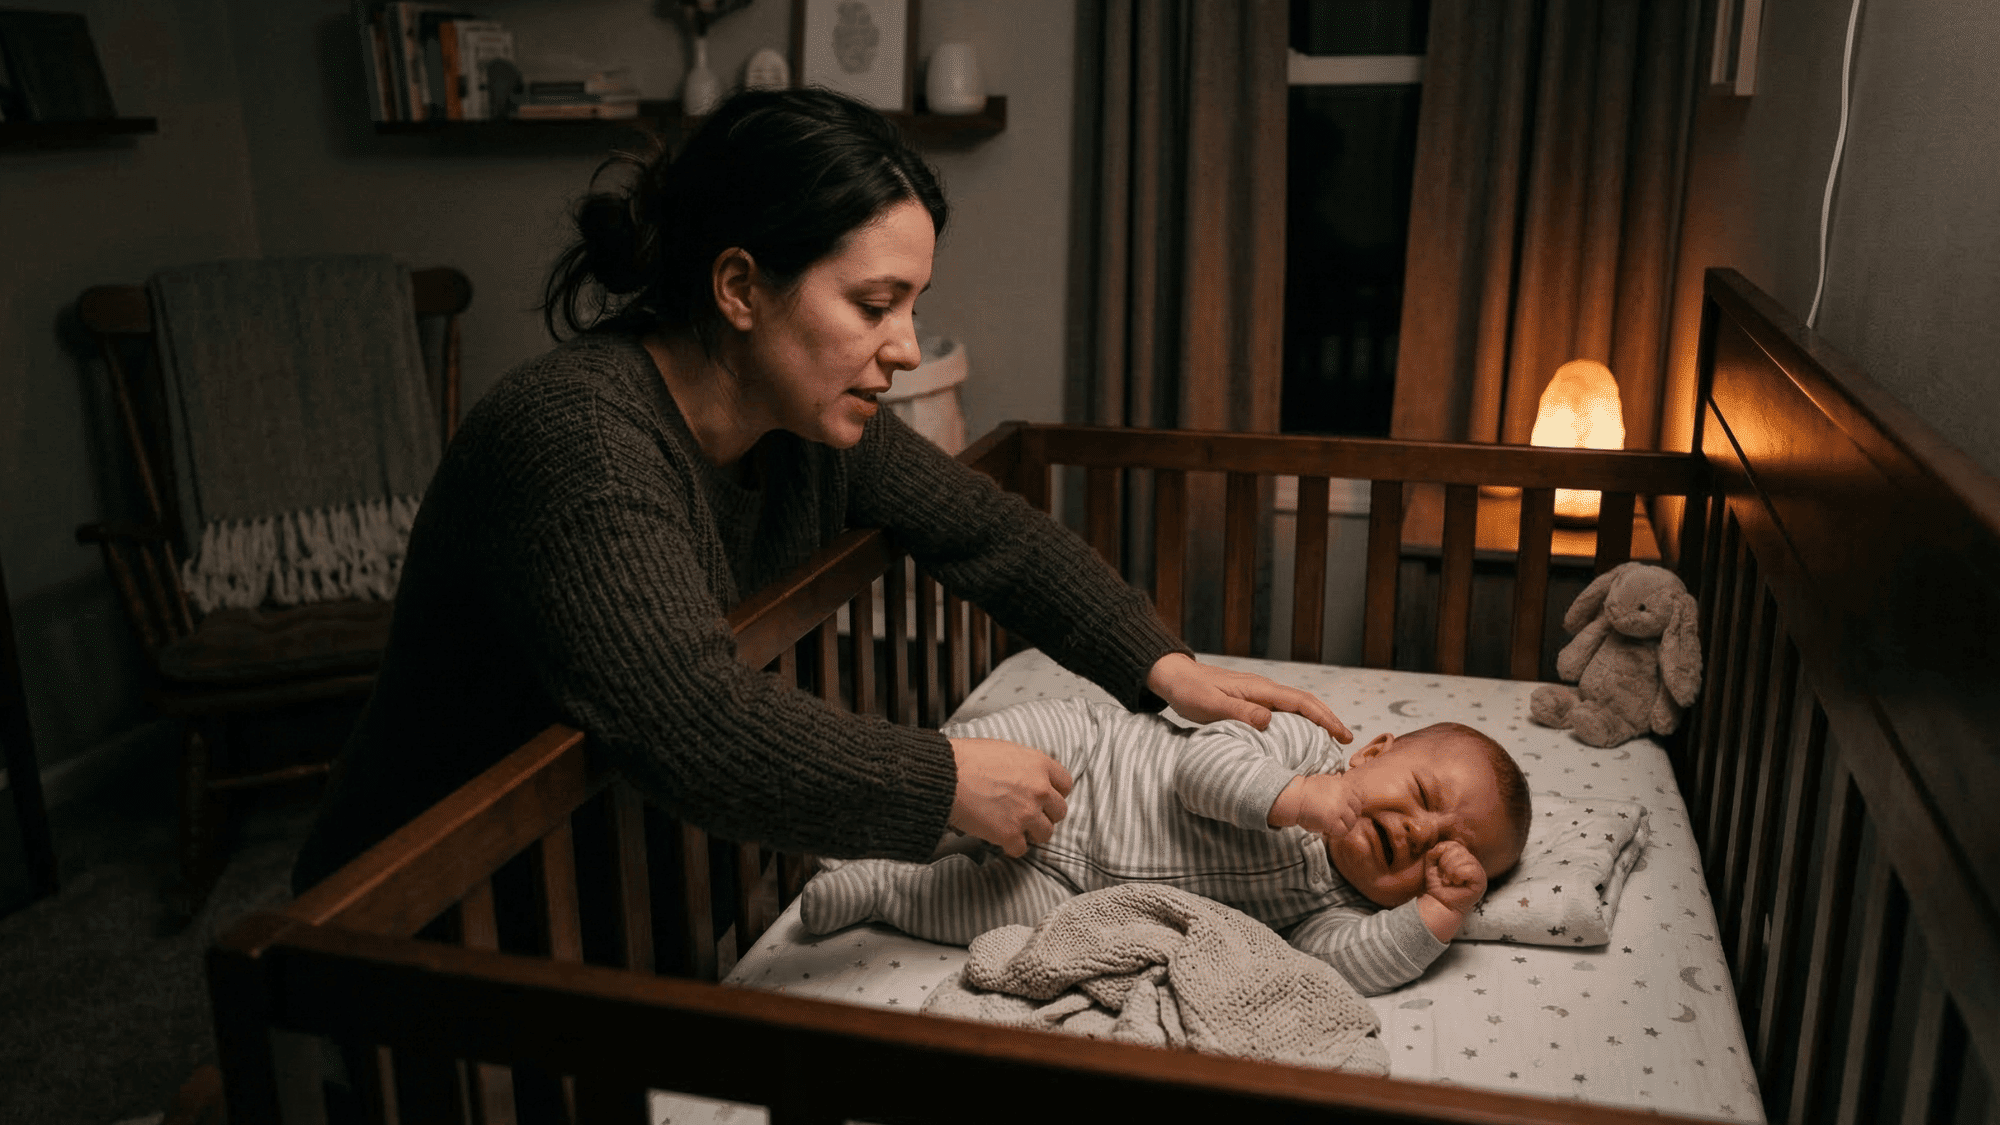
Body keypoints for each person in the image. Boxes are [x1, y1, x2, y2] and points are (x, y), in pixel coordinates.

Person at [290, 87, 1351, 892]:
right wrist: (948, 778)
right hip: (418, 902)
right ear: (739, 288)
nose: (905, 347)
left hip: (606, 868)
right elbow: (695, 722)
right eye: (875, 305)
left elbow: (988, 532)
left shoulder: (804, 422)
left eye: (911, 306)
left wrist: (1163, 666)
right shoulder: (579, 441)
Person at [800, 699, 1532, 996]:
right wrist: (1299, 797)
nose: (1421, 831)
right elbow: (1199, 771)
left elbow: (1343, 969)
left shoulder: (1329, 910)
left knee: (988, 915)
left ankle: (881, 888)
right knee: (981, 755)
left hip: (1080, 895)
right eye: (1424, 795)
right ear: (1372, 752)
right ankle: (886, 794)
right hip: (1086, 761)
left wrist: (1437, 913)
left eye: (1444, 852)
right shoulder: (1301, 745)